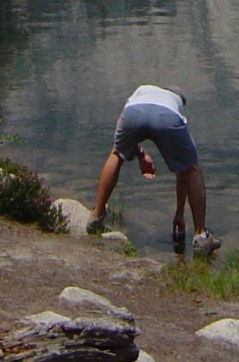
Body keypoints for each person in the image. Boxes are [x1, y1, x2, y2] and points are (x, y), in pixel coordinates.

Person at [88, 83, 220, 256]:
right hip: (167, 117)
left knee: (116, 154)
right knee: (193, 169)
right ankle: (201, 236)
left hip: (133, 113)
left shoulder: (143, 90)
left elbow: (121, 126)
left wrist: (141, 155)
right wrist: (179, 213)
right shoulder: (176, 105)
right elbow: (183, 174)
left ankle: (96, 217)